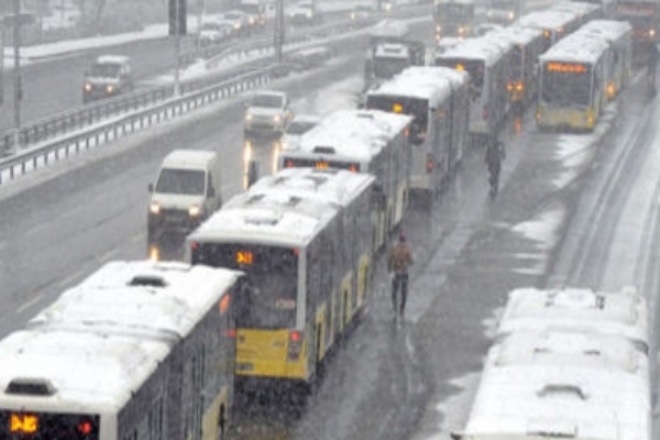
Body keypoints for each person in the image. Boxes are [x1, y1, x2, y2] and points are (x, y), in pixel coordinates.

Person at [388, 233, 413, 319]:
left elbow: (390, 259)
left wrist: (390, 269)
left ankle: (395, 308)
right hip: (404, 273)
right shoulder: (407, 249)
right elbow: (411, 261)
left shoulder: (394, 249)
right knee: (404, 292)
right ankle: (402, 308)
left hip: (397, 272)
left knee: (394, 292)